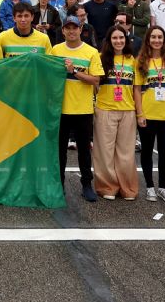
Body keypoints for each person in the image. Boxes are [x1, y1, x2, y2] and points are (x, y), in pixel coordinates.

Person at [49, 15, 102, 202]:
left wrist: (74, 72)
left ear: (81, 30)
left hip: (83, 109)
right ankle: (59, 183)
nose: (71, 31)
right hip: (60, 109)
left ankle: (87, 184)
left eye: (75, 27)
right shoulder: (55, 50)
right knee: (60, 150)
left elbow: (95, 80)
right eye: (67, 28)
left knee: (84, 151)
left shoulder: (91, 52)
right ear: (63, 30)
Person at [134, 26, 165, 203]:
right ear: (148, 39)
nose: (156, 40)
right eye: (153, 37)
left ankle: (163, 187)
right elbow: (137, 90)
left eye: (160, 37)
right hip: (147, 114)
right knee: (146, 151)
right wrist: (139, 113)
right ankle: (149, 187)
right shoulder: (141, 61)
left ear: (164, 40)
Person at [92, 26, 139, 201]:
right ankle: (107, 186)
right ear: (109, 41)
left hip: (127, 110)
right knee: (104, 152)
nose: (118, 41)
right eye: (114, 38)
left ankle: (127, 187)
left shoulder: (132, 60)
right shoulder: (100, 58)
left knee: (126, 153)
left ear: (126, 40)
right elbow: (94, 84)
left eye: (121, 38)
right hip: (105, 109)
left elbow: (136, 88)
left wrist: (138, 112)